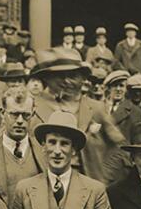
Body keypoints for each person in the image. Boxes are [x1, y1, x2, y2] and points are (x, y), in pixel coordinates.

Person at [29, 48, 124, 186]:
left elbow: (119, 145)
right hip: (44, 185)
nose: (67, 81)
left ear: (82, 78)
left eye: (73, 75)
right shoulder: (32, 107)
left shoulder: (96, 108)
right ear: (47, 78)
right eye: (60, 76)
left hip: (87, 184)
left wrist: (104, 176)